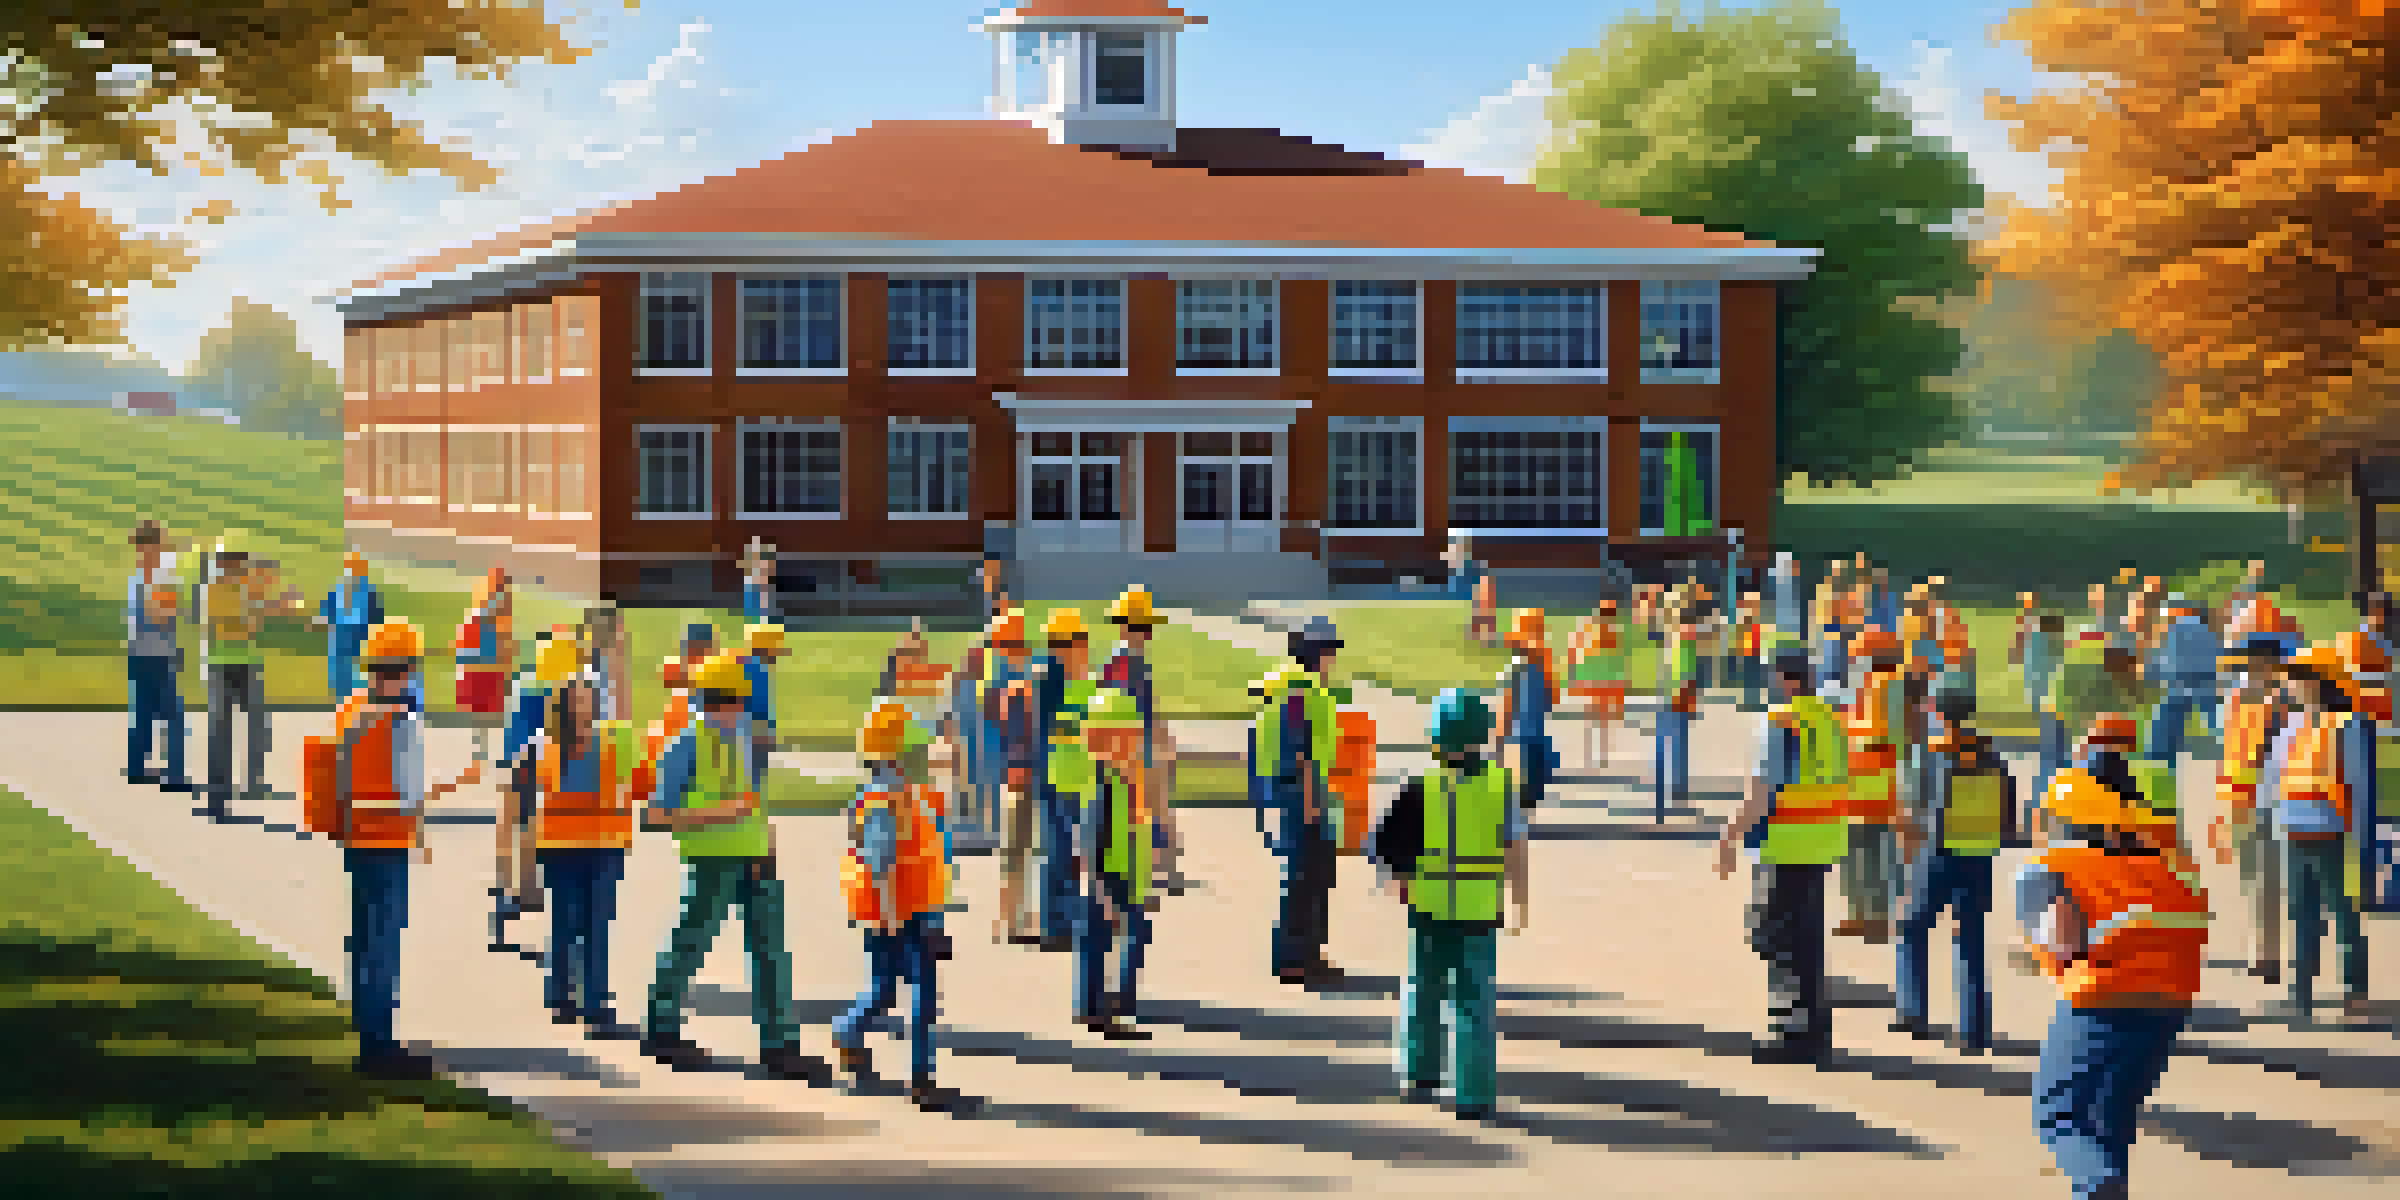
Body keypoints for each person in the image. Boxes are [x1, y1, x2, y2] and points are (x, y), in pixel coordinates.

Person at [2016, 764, 2207, 1200]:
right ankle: (2103, 1184)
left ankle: (2098, 1185)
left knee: (2058, 1113)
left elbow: (2060, 943)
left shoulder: (2062, 864)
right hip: (2171, 1001)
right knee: (2112, 1116)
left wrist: (2032, 946)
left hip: (2102, 998)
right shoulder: (2175, 861)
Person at [641, 652, 822, 1081]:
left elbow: (754, 799)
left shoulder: (746, 734)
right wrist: (718, 814)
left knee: (771, 950)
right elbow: (657, 814)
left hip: (754, 851)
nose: (730, 710)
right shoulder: (686, 740)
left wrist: (766, 843)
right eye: (721, 701)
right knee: (691, 940)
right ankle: (661, 1029)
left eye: (737, 700)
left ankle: (780, 1045)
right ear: (702, 699)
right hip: (710, 858)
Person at [1367, 688, 1529, 1121]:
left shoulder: (1419, 783)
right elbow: (1515, 846)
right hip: (1479, 907)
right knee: (1474, 1000)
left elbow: (1387, 845)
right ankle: (1473, 1092)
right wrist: (1521, 898)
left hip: (1429, 904)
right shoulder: (1501, 784)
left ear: (1436, 736)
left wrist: (1399, 883)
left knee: (1423, 987)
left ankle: (1418, 1074)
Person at [317, 621, 439, 1079]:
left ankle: (367, 1026)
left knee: (364, 938)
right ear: (406, 668)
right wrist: (423, 832)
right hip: (389, 839)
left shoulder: (351, 709)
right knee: (384, 943)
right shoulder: (400, 720)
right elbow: (410, 793)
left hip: (356, 836)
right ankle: (380, 1046)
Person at [1716, 651, 1851, 1065]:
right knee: (1804, 935)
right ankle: (1812, 1026)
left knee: (1772, 932)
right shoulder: (1830, 721)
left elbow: (1762, 791)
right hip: (1821, 839)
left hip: (1785, 840)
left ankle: (1793, 1029)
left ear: (1784, 678)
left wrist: (1730, 834)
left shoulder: (1779, 721)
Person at [836, 701, 957, 1111]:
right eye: (915, 750)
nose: (922, 756)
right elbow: (879, 861)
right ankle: (922, 1079)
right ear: (894, 754)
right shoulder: (886, 800)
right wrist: (890, 915)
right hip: (899, 911)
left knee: (884, 989)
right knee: (921, 992)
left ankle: (848, 1032)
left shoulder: (908, 793)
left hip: (911, 907)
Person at [1893, 672, 2014, 1053]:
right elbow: (2008, 810)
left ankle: (1914, 1012)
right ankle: (1974, 1032)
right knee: (1970, 941)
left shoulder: (1931, 751)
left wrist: (1905, 850)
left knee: (1912, 926)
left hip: (1937, 851)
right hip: (1979, 856)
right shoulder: (1990, 752)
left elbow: (1910, 807)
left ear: (1939, 710)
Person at [2263, 642, 2376, 1021]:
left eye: (2296, 678)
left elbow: (2359, 789)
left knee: (2340, 913)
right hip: (2296, 832)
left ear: (2317, 682)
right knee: (2303, 913)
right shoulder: (2290, 727)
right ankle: (2302, 996)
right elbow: (2273, 780)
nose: (2290, 684)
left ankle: (2352, 991)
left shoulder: (2346, 726)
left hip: (2334, 834)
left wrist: (2361, 845)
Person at [531, 673, 636, 1038]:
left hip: (605, 846)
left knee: (597, 926)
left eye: (588, 699)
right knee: (565, 922)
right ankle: (561, 996)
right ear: (563, 707)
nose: (584, 706)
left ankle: (595, 1004)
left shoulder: (612, 742)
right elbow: (531, 802)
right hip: (561, 847)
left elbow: (633, 778)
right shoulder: (545, 747)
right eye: (576, 700)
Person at [2210, 632, 2299, 983]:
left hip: (2280, 797)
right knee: (2253, 880)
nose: (2255, 665)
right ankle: (2262, 950)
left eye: (2262, 659)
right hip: (2243, 796)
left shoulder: (2291, 697)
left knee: (2272, 879)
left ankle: (2272, 955)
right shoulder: (2237, 696)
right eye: (2251, 660)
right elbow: (2225, 742)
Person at [200, 535, 308, 813]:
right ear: (222, 563)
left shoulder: (245, 589)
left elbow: (254, 621)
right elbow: (239, 624)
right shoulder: (213, 591)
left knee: (258, 725)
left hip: (247, 664)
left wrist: (276, 606)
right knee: (221, 732)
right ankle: (218, 797)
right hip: (221, 666)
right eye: (233, 561)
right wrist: (271, 608)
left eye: (240, 561)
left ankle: (253, 783)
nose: (238, 566)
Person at [1266, 616, 1347, 987]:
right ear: (1317, 653)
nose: (1333, 658)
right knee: (1302, 876)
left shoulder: (1297, 687)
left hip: (1299, 792)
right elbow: (1303, 753)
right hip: (1301, 795)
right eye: (1330, 651)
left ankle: (1308, 952)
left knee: (1313, 876)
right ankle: (1293, 958)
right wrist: (1314, 805)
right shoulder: (1300, 691)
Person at [1073, 684, 1155, 1040]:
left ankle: (1095, 1008)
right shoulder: (1103, 785)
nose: (1134, 745)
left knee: (1101, 945)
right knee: (1104, 945)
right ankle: (1102, 1013)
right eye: (1127, 737)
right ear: (1104, 740)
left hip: (1120, 875)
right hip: (1106, 879)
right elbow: (1088, 844)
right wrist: (1100, 892)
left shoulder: (1116, 779)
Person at [1100, 586, 1192, 892]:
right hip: (1138, 747)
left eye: (1147, 626)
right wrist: (1157, 741)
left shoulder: (1121, 660)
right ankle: (1163, 868)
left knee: (1146, 809)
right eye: (1141, 626)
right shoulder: (1126, 661)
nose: (1146, 632)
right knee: (1153, 810)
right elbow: (1136, 710)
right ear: (1126, 626)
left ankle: (1157, 866)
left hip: (1134, 745)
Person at [491, 632, 580, 948]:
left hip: (514, 756)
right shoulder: (559, 692)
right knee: (530, 825)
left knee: (509, 823)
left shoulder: (524, 681)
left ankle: (506, 886)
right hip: (537, 759)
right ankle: (527, 888)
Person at [1032, 609, 1097, 953]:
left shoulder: (1076, 679)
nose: (1086, 647)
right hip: (1060, 780)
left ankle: (1063, 921)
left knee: (1068, 853)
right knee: (1061, 853)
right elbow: (1057, 730)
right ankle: (1056, 924)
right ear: (1066, 644)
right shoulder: (1050, 680)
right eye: (1081, 640)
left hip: (1074, 778)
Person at [1839, 630, 1908, 943]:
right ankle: (1861, 915)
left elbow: (1884, 734)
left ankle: (1875, 917)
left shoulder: (1887, 685)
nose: (1854, 661)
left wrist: (1846, 728)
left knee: (1873, 849)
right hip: (1864, 778)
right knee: (1861, 849)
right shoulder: (1870, 686)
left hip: (1877, 779)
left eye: (1859, 655)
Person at [984, 610, 1043, 945]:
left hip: (1012, 772)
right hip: (1021, 773)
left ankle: (1012, 916)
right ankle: (1012, 920)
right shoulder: (1016, 683)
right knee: (1019, 850)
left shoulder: (1004, 677)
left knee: (1017, 850)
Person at [126, 520, 189, 791]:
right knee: (174, 717)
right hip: (157, 655)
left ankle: (137, 768)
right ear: (150, 546)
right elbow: (162, 616)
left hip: (138, 654)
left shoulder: (137, 577)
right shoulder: (158, 578)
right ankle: (174, 776)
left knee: (142, 713)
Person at [1494, 609, 1558, 812]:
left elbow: (1506, 708)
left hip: (1518, 744)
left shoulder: (1515, 668)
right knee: (1529, 801)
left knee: (1515, 801)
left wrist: (1498, 740)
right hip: (1538, 743)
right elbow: (1550, 703)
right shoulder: (1545, 668)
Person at [453, 568, 516, 770]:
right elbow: (467, 646)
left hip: (489, 670)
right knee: (482, 717)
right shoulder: (481, 616)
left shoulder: (499, 615)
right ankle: (479, 756)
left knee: (489, 716)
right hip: (483, 669)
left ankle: (483, 755)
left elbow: (504, 644)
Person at [2146, 596, 2221, 763]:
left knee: (2164, 732)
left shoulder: (2177, 629)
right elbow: (2217, 658)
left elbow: (2162, 662)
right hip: (2205, 684)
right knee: (2214, 723)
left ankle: (2160, 760)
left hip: (2179, 685)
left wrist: (2152, 674)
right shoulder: (2207, 632)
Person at [1566, 601, 1631, 767]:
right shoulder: (1599, 631)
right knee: (1598, 718)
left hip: (1601, 681)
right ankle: (1597, 752)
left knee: (1599, 718)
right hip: (1598, 681)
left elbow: (1617, 661)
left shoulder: (1606, 631)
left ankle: (1598, 752)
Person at [315, 552, 386, 701]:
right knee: (341, 670)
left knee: (358, 669)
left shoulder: (367, 591)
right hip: (341, 632)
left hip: (359, 633)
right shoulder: (342, 588)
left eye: (356, 567)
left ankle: (354, 701)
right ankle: (344, 701)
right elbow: (329, 607)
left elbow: (376, 614)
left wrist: (375, 630)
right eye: (351, 566)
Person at [741, 539, 778, 624]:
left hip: (761, 582)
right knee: (753, 606)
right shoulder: (751, 553)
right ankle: (755, 623)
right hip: (753, 581)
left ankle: (761, 622)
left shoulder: (766, 553)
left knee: (763, 605)